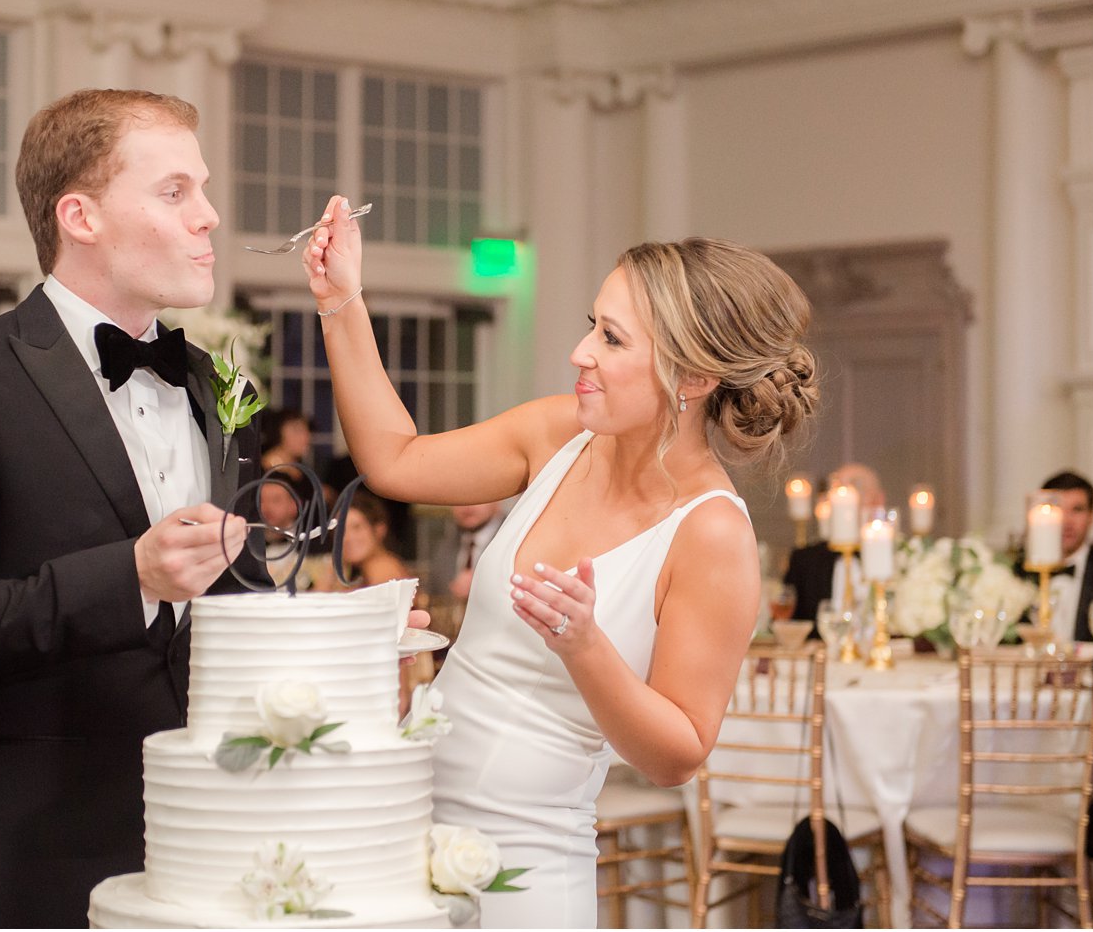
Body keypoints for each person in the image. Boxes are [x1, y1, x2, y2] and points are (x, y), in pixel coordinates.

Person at [300, 198, 819, 926]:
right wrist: (341, 301)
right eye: (591, 327)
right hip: (404, 826)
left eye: (611, 338)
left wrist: (585, 647)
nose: (582, 353)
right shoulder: (556, 434)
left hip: (528, 867)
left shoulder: (710, 533)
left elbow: (677, 756)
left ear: (694, 377)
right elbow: (394, 460)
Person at [0, 88, 280, 927]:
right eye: (174, 192)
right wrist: (128, 576)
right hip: (30, 857)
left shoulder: (216, 385)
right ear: (80, 217)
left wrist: (329, 642)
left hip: (203, 844)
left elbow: (233, 604)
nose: (209, 216)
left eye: (201, 189)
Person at [783, 462, 884, 630]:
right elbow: (790, 625)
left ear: (878, 500)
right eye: (837, 490)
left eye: (854, 487)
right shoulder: (805, 560)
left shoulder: (899, 558)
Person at [1025, 470, 1093, 644]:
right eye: (1057, 510)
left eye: (1077, 510)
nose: (1067, 521)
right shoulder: (1019, 572)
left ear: (1091, 516)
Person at [423, 499, 508, 648]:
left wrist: (484, 584)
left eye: (478, 495)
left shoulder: (517, 538)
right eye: (460, 496)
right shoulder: (444, 546)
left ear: (498, 499)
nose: (467, 505)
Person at [260, 406, 314, 471]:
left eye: (307, 430)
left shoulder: (300, 468)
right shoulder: (267, 471)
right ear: (278, 433)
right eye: (297, 431)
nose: (306, 437)